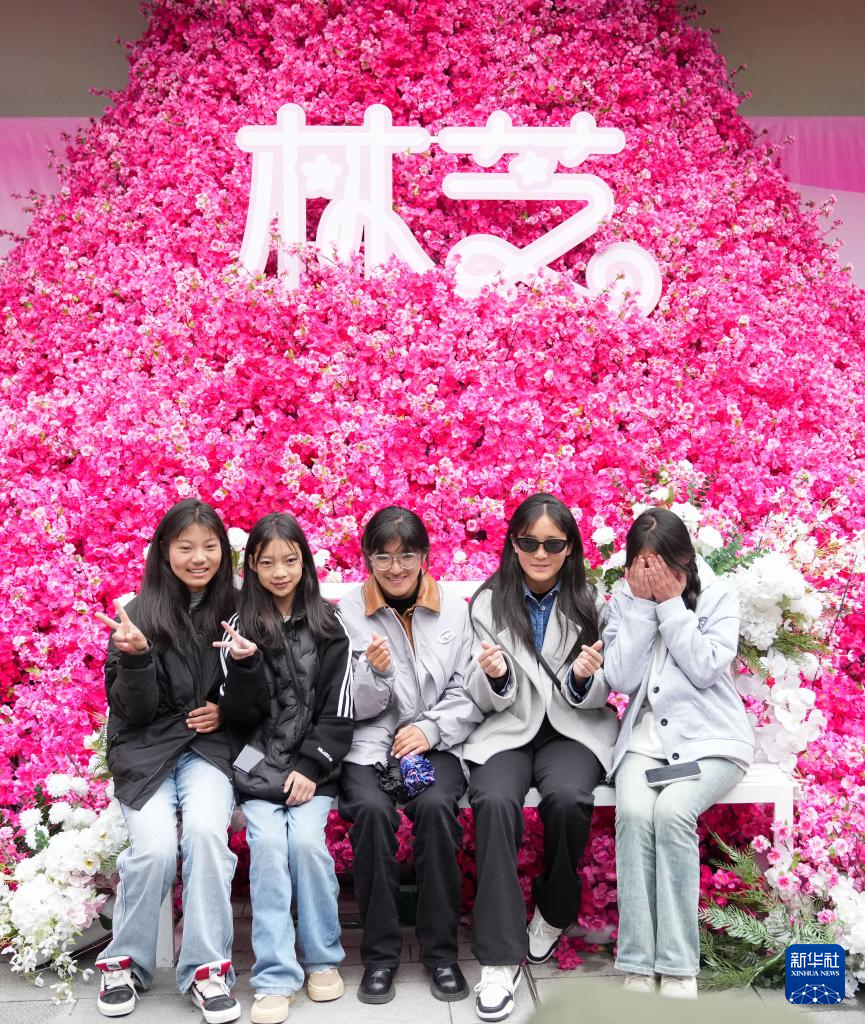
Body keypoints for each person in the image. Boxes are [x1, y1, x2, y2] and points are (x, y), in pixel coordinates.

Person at [463, 492, 619, 1023]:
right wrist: (496, 677)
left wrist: (583, 679)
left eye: (553, 544)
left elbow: (605, 684)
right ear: (513, 543)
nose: (540, 554)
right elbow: (478, 691)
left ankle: (553, 911)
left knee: (569, 797)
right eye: (529, 542)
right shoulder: (488, 603)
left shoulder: (590, 601)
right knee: (492, 799)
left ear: (570, 547)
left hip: (571, 727)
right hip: (509, 726)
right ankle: (498, 960)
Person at [93, 498, 241, 1023]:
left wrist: (226, 711)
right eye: (185, 548)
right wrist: (136, 658)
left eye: (210, 547)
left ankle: (206, 970)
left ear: (224, 552)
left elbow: (262, 690)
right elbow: (131, 711)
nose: (199, 558)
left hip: (208, 751)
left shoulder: (240, 609)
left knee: (205, 833)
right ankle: (124, 963)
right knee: (155, 848)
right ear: (164, 551)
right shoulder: (138, 613)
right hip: (146, 751)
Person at [604, 508, 754, 1000]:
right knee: (633, 812)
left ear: (684, 560)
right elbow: (621, 679)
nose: (651, 575)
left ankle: (677, 965)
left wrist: (671, 606)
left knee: (671, 813)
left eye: (661, 564)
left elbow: (707, 667)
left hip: (711, 740)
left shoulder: (717, 595)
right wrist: (640, 608)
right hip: (644, 742)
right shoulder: (623, 599)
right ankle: (637, 963)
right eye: (641, 564)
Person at [337, 506, 483, 1005]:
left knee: (436, 806)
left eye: (407, 556)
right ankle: (380, 957)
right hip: (371, 744)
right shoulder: (348, 613)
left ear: (425, 557)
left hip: (430, 743)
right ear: (367, 559)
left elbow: (468, 689)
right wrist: (373, 675)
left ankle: (440, 954)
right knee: (372, 812)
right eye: (383, 557)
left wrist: (430, 729)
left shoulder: (454, 610)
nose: (395, 568)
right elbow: (348, 704)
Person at [217, 512, 354, 1024]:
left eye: (290, 560)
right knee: (270, 847)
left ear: (304, 563)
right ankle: (275, 975)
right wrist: (245, 665)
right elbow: (240, 717)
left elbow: (339, 709)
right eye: (268, 561)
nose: (279, 572)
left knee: (306, 846)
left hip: (314, 766)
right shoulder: (238, 627)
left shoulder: (329, 624)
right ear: (251, 565)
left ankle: (322, 958)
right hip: (255, 760)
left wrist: (312, 766)